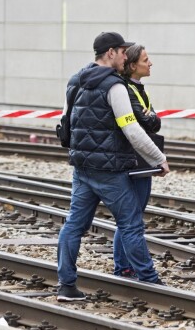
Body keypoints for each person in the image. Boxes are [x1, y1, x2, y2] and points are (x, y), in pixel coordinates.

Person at [56, 31, 170, 302]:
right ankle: (149, 280)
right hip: (111, 171)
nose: (124, 57)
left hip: (82, 169)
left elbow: (64, 122)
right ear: (110, 53)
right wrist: (159, 159)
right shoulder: (115, 87)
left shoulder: (75, 81)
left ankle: (66, 286)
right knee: (131, 225)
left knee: (73, 225)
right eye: (121, 52)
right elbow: (131, 129)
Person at [113, 43, 164, 279]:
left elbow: (154, 121)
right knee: (131, 217)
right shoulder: (126, 88)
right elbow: (145, 122)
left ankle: (124, 264)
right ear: (133, 65)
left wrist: (150, 117)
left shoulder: (139, 88)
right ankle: (124, 266)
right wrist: (149, 117)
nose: (150, 63)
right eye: (146, 60)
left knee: (133, 214)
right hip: (135, 160)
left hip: (141, 160)